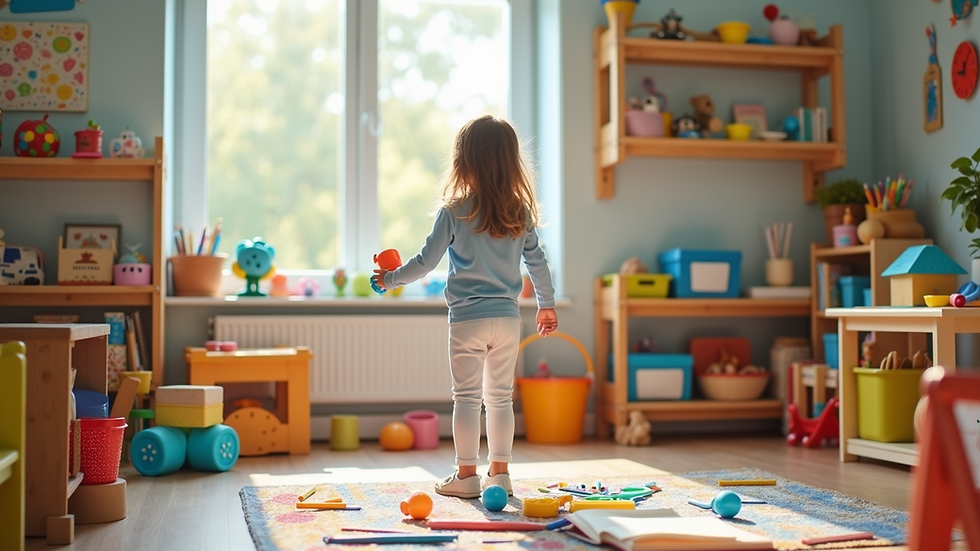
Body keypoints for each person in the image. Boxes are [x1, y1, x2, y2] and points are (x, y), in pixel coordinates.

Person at [372, 115, 557, 499]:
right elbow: (537, 263)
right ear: (511, 164)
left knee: (467, 399)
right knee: (501, 398)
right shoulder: (519, 213)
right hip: (507, 320)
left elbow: (424, 264)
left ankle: (467, 475)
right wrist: (546, 306)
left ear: (464, 162)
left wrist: (389, 280)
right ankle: (501, 474)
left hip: (467, 321)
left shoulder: (454, 211)